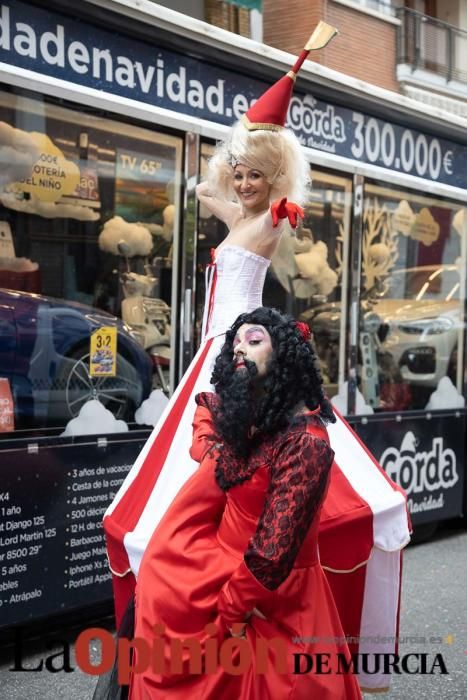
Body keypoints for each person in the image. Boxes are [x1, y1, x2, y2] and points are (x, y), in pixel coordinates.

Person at [103, 23, 410, 693]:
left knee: (239, 477)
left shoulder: (269, 217)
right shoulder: (238, 210)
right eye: (237, 172)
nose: (242, 184)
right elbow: (210, 195)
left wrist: (280, 201)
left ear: (272, 179)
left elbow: (274, 212)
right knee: (203, 476)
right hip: (216, 348)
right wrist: (217, 174)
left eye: (254, 176)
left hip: (238, 342)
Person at [129, 307, 362, 699]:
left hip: (272, 599)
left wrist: (229, 613)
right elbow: (208, 432)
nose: (240, 349)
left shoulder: (306, 442)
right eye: (236, 343)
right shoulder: (254, 420)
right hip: (224, 571)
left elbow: (273, 551)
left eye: (254, 341)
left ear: (285, 357)